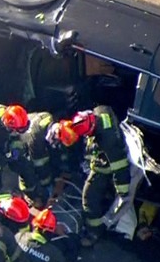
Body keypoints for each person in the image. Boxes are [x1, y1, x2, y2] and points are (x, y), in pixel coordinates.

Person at [49, 105, 129, 246]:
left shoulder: (108, 141)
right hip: (102, 158)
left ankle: (93, 232)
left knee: (89, 199)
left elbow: (119, 166)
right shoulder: (100, 112)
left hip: (103, 170)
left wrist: (122, 191)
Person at [7, 110, 57, 206]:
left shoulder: (34, 127)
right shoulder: (33, 138)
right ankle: (30, 195)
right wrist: (45, 184)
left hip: (24, 142)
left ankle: (39, 192)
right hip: (17, 151)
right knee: (24, 167)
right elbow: (39, 162)